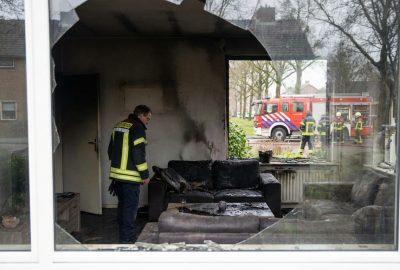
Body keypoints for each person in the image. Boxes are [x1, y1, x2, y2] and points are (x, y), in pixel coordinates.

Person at [108, 105, 152, 243]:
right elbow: (138, 154)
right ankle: (127, 242)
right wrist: (145, 175)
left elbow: (110, 151)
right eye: (148, 118)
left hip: (116, 177)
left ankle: (123, 237)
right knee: (130, 210)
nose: (148, 122)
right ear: (141, 115)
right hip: (130, 178)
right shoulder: (137, 128)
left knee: (122, 207)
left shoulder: (118, 125)